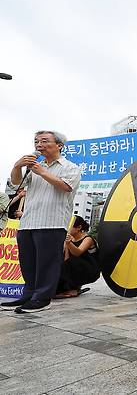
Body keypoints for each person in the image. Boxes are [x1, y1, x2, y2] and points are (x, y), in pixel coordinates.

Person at [0, 131, 81, 313]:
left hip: (52, 222)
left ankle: (43, 298)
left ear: (59, 145)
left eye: (45, 141)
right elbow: (15, 185)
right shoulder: (34, 167)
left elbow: (67, 187)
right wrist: (17, 166)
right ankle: (29, 295)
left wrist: (43, 172)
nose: (39, 145)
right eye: (36, 141)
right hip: (28, 222)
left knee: (47, 263)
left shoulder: (70, 167)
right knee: (28, 262)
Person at [55, 216, 100, 298]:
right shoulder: (70, 240)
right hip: (77, 267)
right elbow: (66, 258)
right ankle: (66, 288)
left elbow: (77, 253)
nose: (67, 228)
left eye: (70, 226)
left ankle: (72, 289)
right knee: (62, 264)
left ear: (79, 227)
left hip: (91, 270)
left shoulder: (87, 239)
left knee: (73, 262)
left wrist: (69, 243)